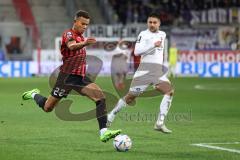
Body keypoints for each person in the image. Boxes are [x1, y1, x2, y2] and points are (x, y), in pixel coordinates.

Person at [21, 10, 121, 142]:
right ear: (75, 21)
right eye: (83, 23)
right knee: (48, 107)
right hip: (67, 78)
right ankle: (34, 94)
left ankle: (103, 132)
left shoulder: (81, 37)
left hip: (80, 77)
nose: (85, 27)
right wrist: (85, 43)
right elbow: (71, 46)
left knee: (100, 98)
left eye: (87, 25)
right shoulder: (69, 34)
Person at [107, 13, 174, 133]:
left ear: (159, 23)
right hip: (144, 71)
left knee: (169, 91)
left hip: (157, 71)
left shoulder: (162, 34)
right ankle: (111, 115)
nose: (152, 25)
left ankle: (160, 122)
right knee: (130, 97)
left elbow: (159, 53)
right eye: (150, 22)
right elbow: (137, 52)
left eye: (154, 22)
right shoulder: (143, 35)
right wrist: (152, 45)